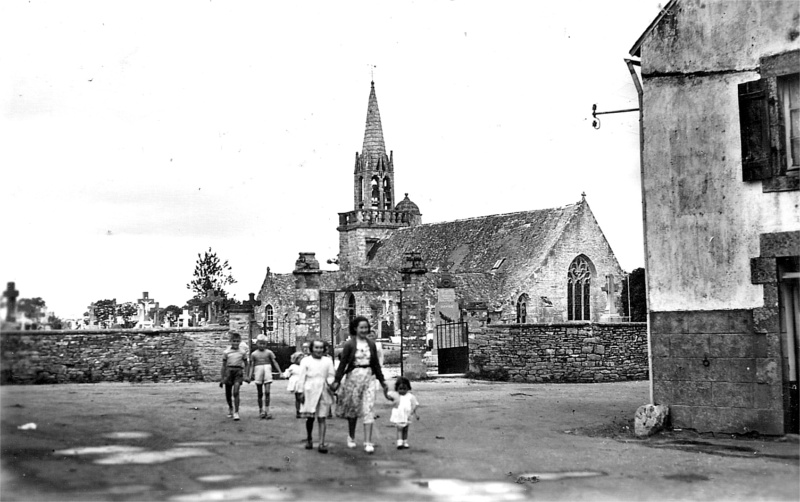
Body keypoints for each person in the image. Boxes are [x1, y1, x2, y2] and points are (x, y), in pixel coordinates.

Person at [330, 316, 391, 454]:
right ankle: (351, 437)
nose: (364, 330)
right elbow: (343, 364)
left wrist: (382, 381)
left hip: (368, 377)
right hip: (353, 378)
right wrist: (337, 381)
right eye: (361, 327)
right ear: (355, 329)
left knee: (368, 408)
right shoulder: (349, 345)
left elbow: (375, 364)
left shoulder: (371, 344)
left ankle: (368, 441)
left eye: (366, 327)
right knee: (353, 409)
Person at [297, 339, 336, 453]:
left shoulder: (327, 361)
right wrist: (300, 391)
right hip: (309, 390)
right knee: (310, 417)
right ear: (311, 349)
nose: (318, 350)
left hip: (323, 390)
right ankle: (309, 439)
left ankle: (321, 443)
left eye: (321, 348)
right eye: (316, 347)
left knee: (322, 417)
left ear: (324, 349)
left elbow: (331, 375)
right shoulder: (306, 361)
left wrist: (331, 383)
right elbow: (301, 377)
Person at [248, 334, 282, 419]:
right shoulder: (254, 354)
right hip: (258, 371)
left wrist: (280, 372)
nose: (262, 345)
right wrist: (249, 375)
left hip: (267, 371)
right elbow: (252, 365)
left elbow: (274, 362)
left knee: (267, 392)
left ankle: (267, 410)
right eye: (260, 343)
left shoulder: (269, 352)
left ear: (266, 344)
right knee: (260, 393)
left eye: (264, 343)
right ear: (257, 343)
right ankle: (261, 410)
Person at [219, 332, 249, 420]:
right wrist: (222, 378)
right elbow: (223, 365)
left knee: (236, 391)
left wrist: (246, 375)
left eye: (237, 341)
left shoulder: (242, 352)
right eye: (234, 341)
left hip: (238, 372)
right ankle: (230, 407)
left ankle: (236, 412)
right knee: (228, 393)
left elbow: (246, 364)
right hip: (229, 372)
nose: (235, 343)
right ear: (230, 341)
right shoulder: (226, 352)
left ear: (240, 342)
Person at [387, 376, 420, 449]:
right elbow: (389, 395)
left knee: (405, 429)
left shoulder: (410, 396)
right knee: (399, 428)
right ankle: (399, 442)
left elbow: (415, 404)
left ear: (408, 388)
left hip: (407, 415)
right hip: (399, 414)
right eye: (400, 389)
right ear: (397, 388)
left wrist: (414, 412)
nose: (402, 391)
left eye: (404, 389)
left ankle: (405, 441)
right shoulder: (396, 395)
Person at [284, 352, 304, 418]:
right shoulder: (293, 366)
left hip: (303, 382)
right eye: (299, 359)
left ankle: (304, 409)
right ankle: (298, 411)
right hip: (296, 383)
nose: (301, 360)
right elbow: (287, 373)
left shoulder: (304, 366)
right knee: (298, 397)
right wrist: (285, 375)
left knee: (303, 397)